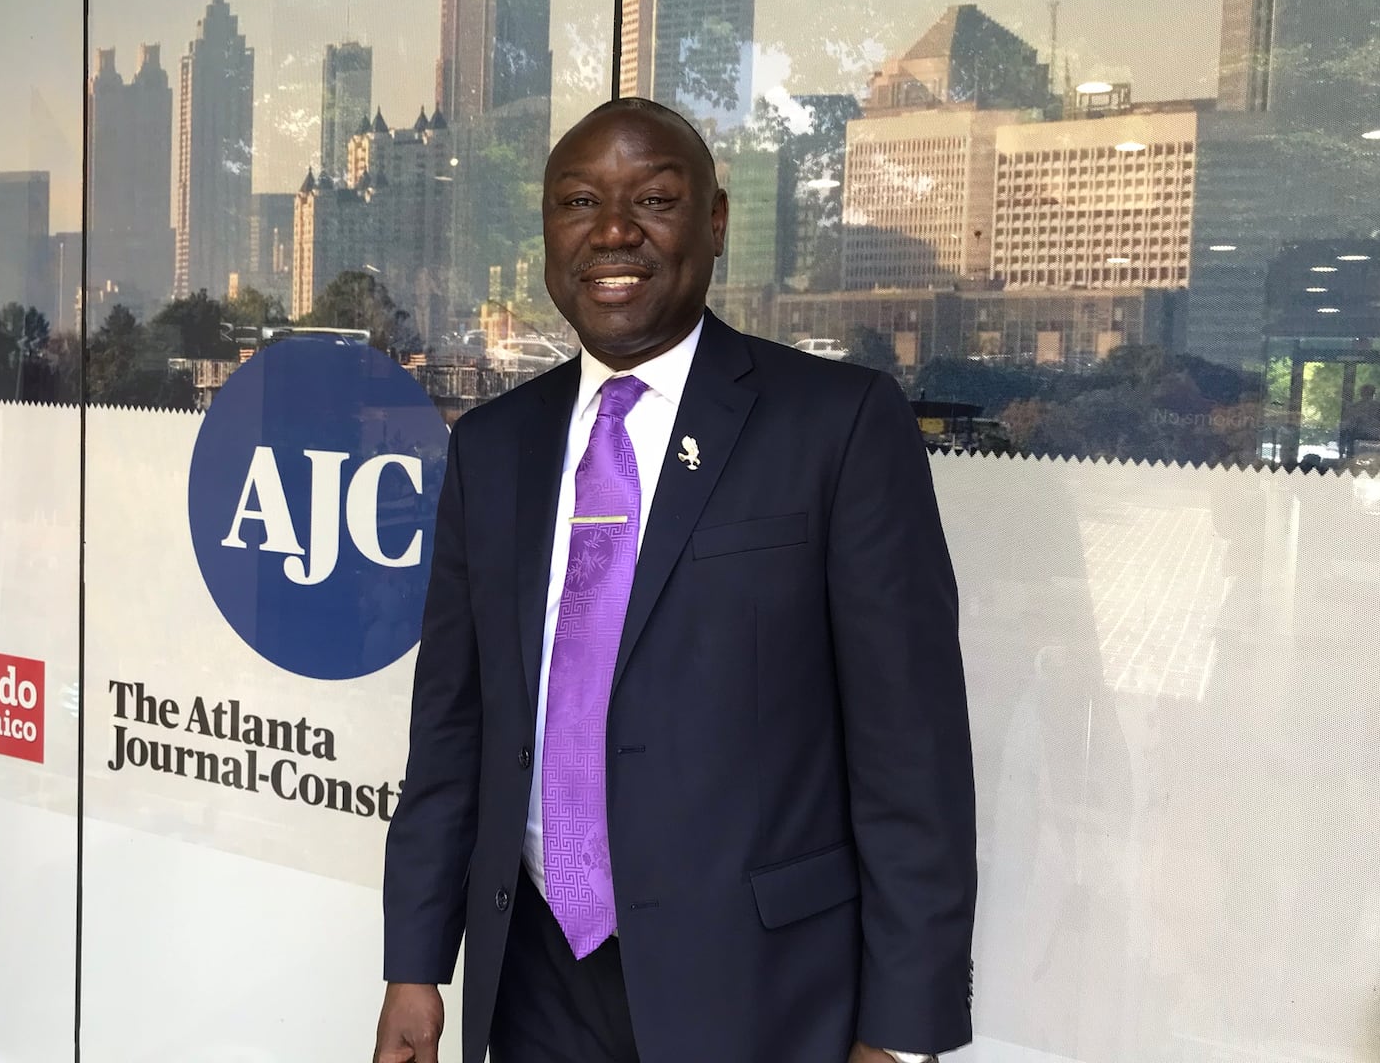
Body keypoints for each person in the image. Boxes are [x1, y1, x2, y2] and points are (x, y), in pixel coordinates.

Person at [375, 98, 976, 1063]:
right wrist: (415, 966)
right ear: (547, 235)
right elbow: (451, 730)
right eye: (580, 201)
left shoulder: (838, 426)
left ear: (716, 222)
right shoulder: (492, 448)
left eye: (653, 198)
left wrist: (902, 1036)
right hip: (534, 977)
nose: (613, 230)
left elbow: (913, 758)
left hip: (759, 994)